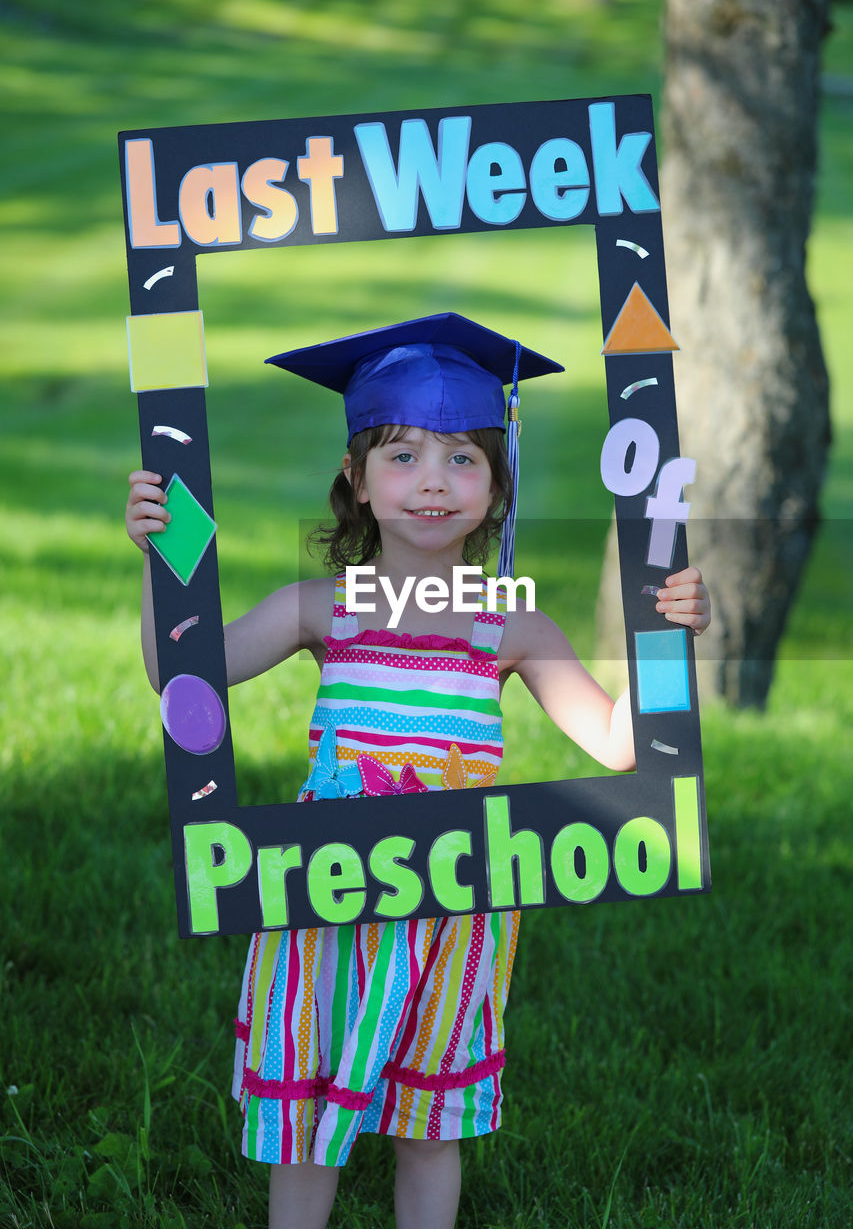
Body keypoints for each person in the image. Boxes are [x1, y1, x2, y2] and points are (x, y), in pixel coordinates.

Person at [125, 313, 710, 1229]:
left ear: (496, 487)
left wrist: (661, 639)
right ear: (355, 483)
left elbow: (617, 743)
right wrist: (164, 558)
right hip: (325, 897)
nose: (433, 480)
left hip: (454, 904)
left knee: (429, 1120)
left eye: (463, 459)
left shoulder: (512, 627)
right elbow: (183, 675)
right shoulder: (321, 610)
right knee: (306, 1108)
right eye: (401, 457)